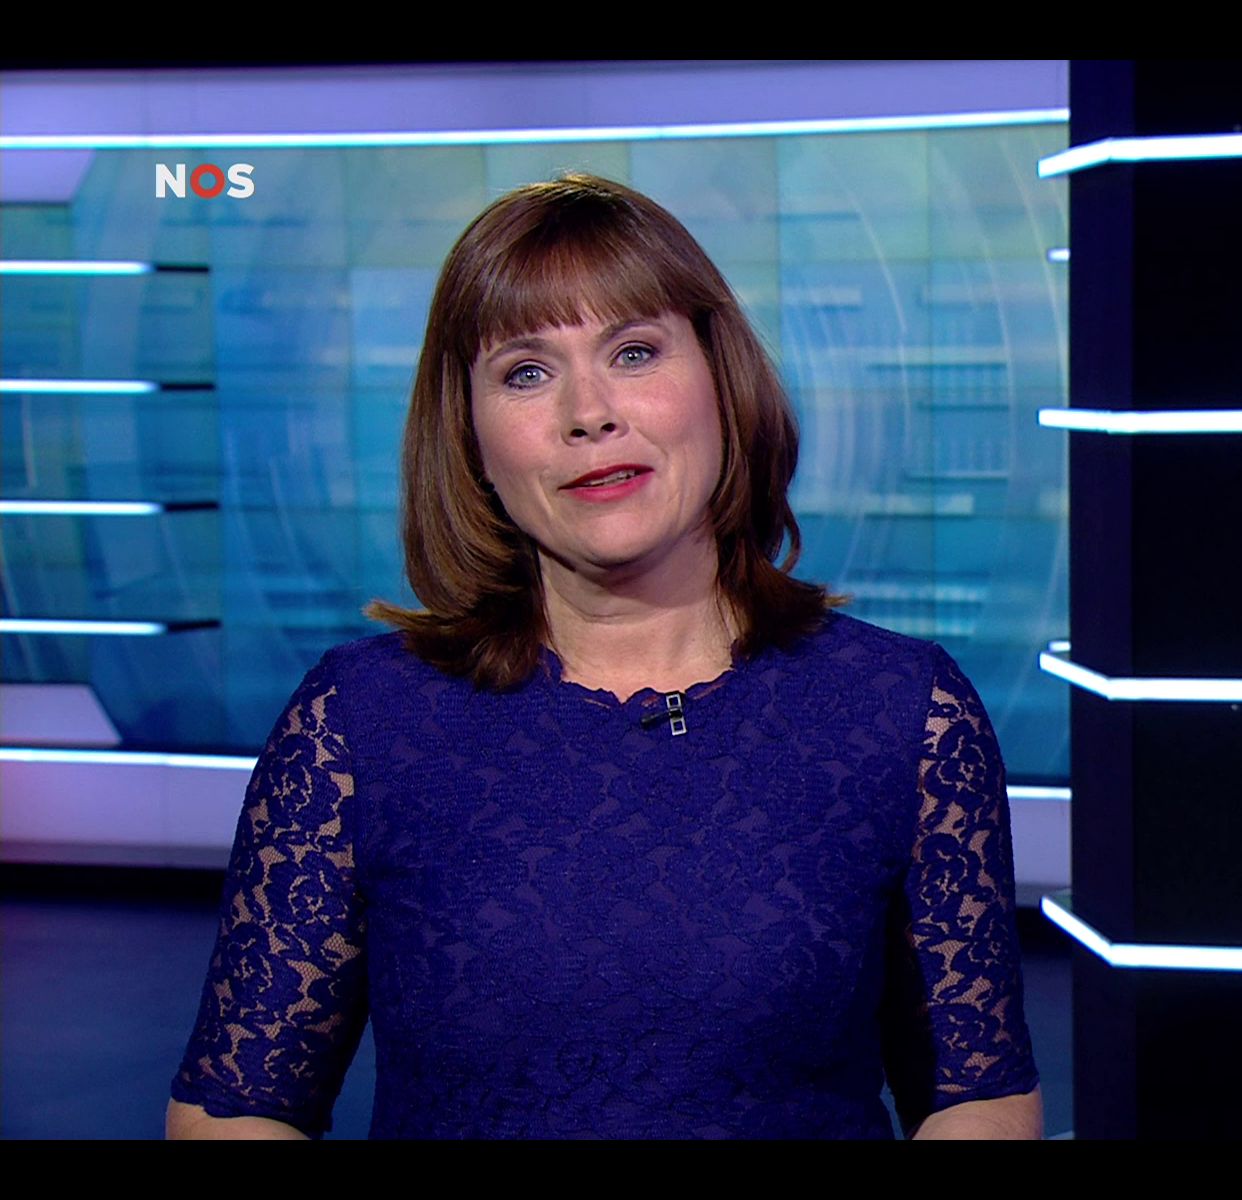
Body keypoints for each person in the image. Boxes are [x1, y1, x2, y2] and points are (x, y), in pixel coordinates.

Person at [164, 173, 1044, 1140]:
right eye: (526, 373)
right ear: (471, 437)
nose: (589, 412)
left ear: (721, 379)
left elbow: (979, 1095)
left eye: (633, 352)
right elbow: (234, 1113)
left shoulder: (906, 712)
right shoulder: (357, 723)